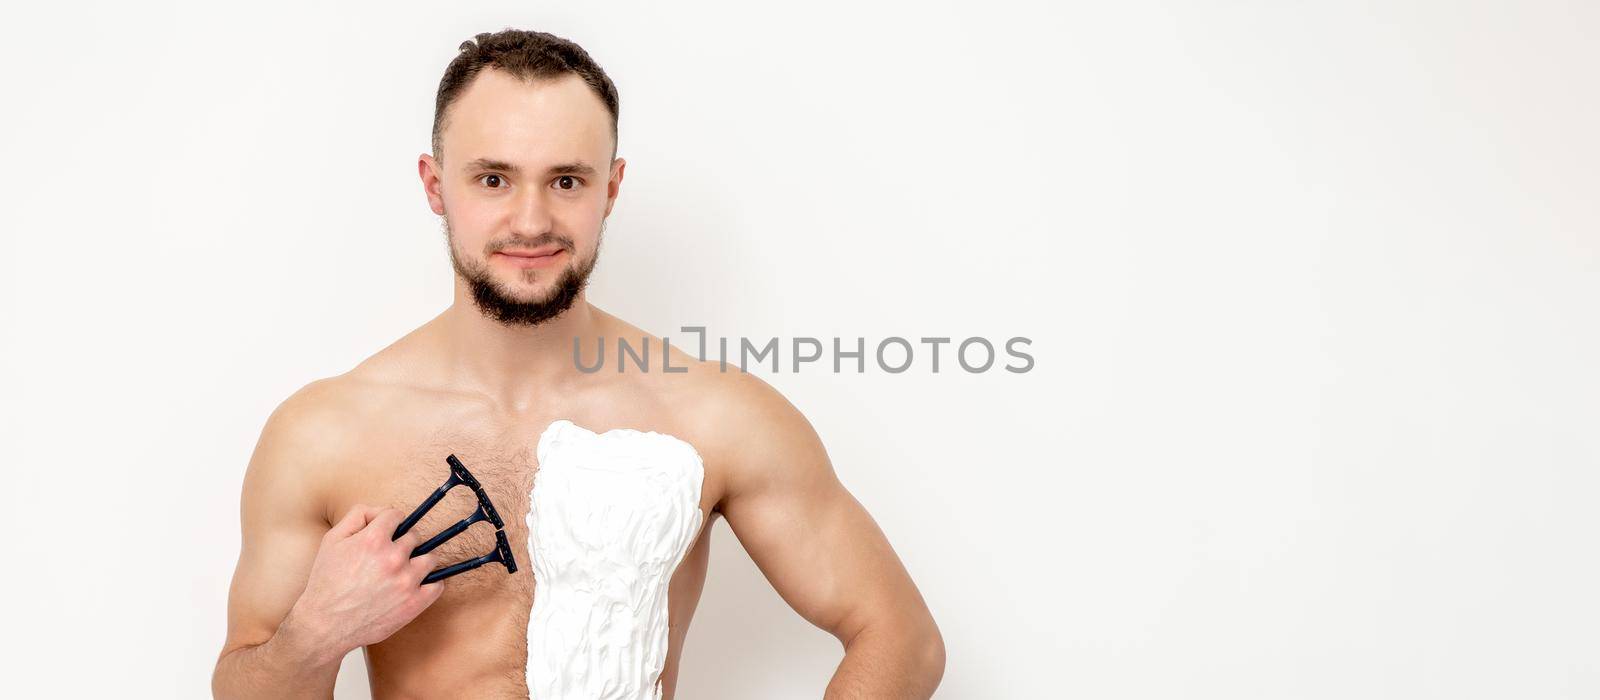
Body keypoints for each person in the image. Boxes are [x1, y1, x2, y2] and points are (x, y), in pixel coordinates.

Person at [211, 29, 944, 699]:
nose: (531, 221)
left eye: (566, 181)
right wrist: (316, 635)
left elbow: (900, 637)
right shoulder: (324, 434)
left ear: (610, 190)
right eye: (493, 179)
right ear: (436, 187)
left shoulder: (712, 415)